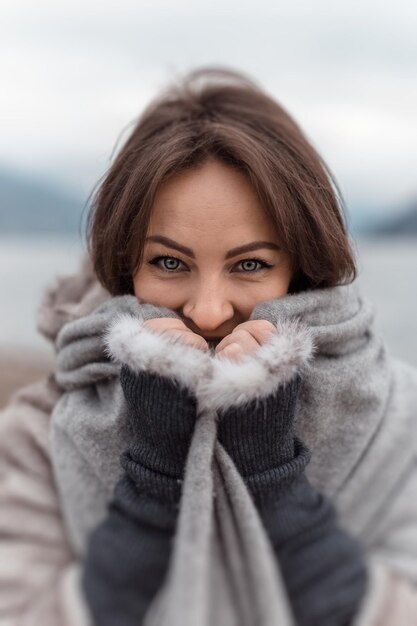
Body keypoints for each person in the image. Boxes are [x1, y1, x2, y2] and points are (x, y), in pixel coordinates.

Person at [0, 68, 416, 625]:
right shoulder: (40, 434)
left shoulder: (399, 421)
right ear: (126, 265)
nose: (209, 311)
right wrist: (151, 492)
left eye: (250, 265)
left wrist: (276, 489)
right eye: (170, 262)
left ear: (301, 270)